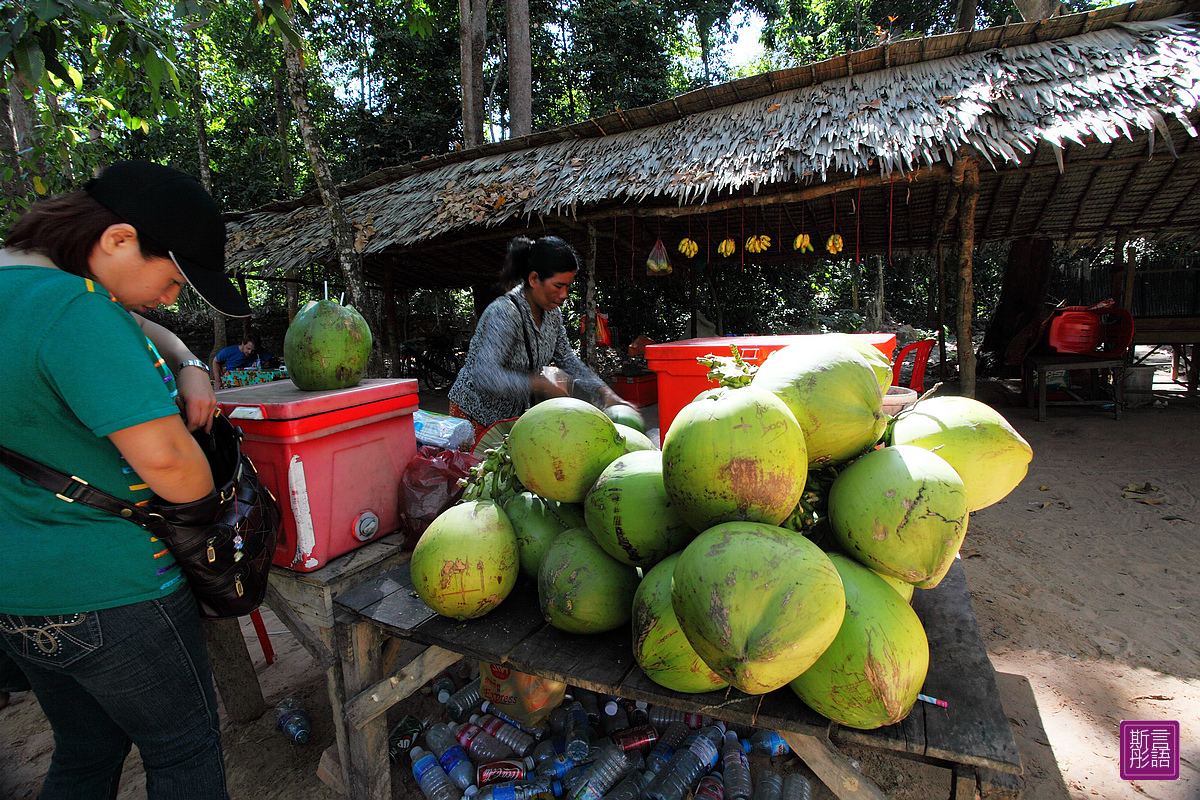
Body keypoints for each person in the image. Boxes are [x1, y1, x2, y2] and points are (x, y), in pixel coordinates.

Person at [0, 160, 252, 800]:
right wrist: (211, 510)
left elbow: (138, 326)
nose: (171, 299)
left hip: (18, 594)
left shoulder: (26, 289)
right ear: (118, 240)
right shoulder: (75, 311)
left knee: (86, 749)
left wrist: (190, 363)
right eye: (171, 280)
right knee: (182, 750)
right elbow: (168, 464)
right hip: (115, 593)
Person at [449, 235, 635, 439]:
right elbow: (485, 376)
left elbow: (567, 358)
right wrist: (540, 382)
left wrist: (603, 392)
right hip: (475, 417)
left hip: (512, 417)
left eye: (568, 286)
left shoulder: (552, 314)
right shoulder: (503, 313)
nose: (564, 294)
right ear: (534, 279)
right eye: (558, 286)